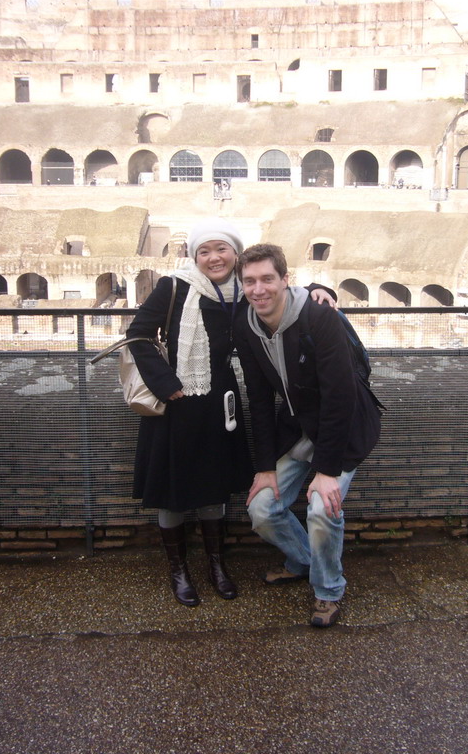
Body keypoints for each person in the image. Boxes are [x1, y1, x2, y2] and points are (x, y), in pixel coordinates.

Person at [125, 219, 335, 607]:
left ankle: (217, 567)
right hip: (174, 401)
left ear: (235, 254)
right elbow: (138, 334)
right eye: (204, 251)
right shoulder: (174, 286)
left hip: (220, 400)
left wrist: (323, 290)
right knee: (173, 491)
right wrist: (164, 382)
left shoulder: (243, 291)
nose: (213, 257)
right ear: (194, 256)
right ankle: (179, 571)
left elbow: (283, 291)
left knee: (214, 486)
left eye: (221, 249)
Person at [233, 243, 382, 628]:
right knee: (262, 509)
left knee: (322, 507)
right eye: (249, 281)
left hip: (344, 428)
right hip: (298, 427)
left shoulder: (318, 318)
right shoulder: (245, 324)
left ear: (285, 280)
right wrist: (264, 467)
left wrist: (327, 470)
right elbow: (260, 398)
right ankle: (302, 561)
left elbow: (341, 395)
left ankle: (328, 590)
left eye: (267, 278)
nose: (259, 289)